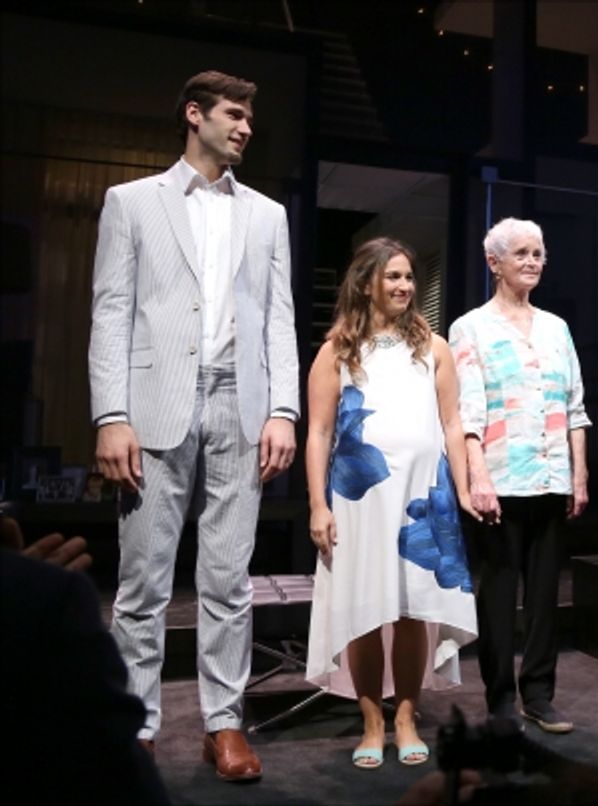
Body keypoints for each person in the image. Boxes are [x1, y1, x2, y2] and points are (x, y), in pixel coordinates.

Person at [88, 70, 299, 781]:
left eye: (248, 118)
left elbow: (279, 317)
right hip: (155, 404)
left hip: (240, 403)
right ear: (194, 115)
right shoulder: (131, 202)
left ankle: (224, 725)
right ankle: (137, 727)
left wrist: (283, 409)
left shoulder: (267, 214)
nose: (244, 128)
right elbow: (112, 311)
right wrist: (111, 415)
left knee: (228, 579)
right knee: (143, 584)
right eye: (233, 115)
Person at [305, 238, 478, 768]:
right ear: (365, 283)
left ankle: (406, 716)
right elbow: (318, 431)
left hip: (423, 494)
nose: (404, 287)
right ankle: (372, 722)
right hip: (359, 499)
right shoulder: (337, 349)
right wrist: (317, 504)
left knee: (411, 611)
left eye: (409, 277)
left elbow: (453, 423)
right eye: (394, 277)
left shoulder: (434, 346)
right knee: (362, 610)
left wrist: (464, 489)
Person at [449, 218, 591, 734]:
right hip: (501, 482)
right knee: (499, 597)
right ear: (495, 263)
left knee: (545, 597)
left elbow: (575, 406)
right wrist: (478, 477)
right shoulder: (470, 327)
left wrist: (580, 473)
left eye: (538, 253)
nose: (532, 262)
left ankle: (539, 693)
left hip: (552, 478)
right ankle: (500, 699)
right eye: (522, 254)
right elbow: (469, 412)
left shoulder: (556, 327)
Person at [0, 545, 170, 805]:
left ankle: (222, 724)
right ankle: (142, 733)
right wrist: (28, 603)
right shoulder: (52, 596)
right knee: (143, 592)